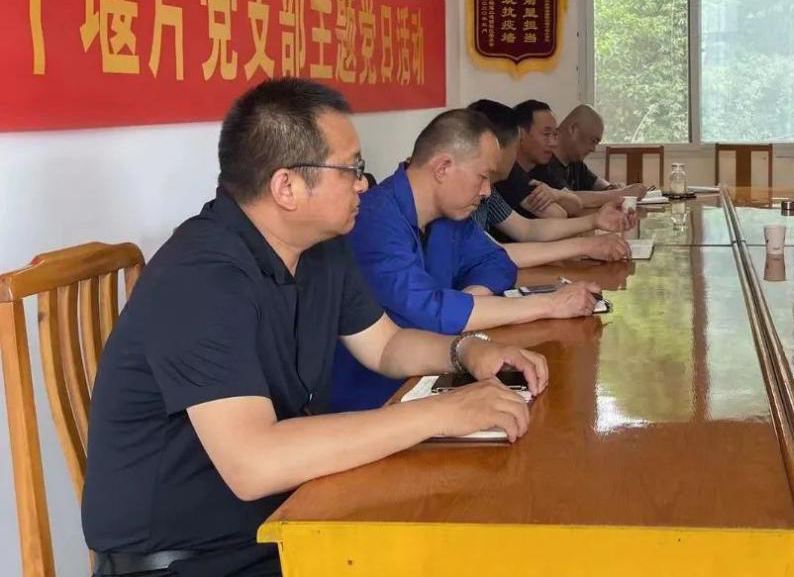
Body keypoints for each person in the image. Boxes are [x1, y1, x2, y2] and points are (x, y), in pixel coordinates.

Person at [82, 79, 546, 577]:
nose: (363, 185)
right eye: (352, 170)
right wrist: (442, 412)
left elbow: (386, 346)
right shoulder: (200, 278)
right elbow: (254, 462)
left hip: (287, 516)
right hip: (192, 558)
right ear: (287, 187)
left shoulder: (321, 249)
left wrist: (467, 350)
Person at [330, 109, 601, 411]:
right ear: (443, 168)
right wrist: (549, 304)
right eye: (483, 177)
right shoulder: (372, 219)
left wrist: (470, 299)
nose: (486, 192)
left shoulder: (451, 215)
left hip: (437, 368)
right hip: (372, 399)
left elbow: (498, 262)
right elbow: (427, 311)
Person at [466, 99, 633, 265]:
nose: (516, 154)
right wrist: (585, 245)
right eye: (515, 145)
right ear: (495, 148)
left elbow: (527, 229)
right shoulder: (464, 198)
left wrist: (595, 220)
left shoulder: (489, 192)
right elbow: (494, 254)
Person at [533, 104, 647, 209]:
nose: (593, 149)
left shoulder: (574, 161)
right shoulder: (542, 161)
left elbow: (597, 183)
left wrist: (612, 187)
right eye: (593, 141)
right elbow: (568, 199)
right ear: (573, 129)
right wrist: (623, 194)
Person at [493, 100, 578, 218]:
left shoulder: (539, 167)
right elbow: (557, 214)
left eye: (555, 134)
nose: (553, 143)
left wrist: (556, 194)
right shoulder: (508, 171)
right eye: (546, 134)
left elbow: (576, 204)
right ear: (520, 134)